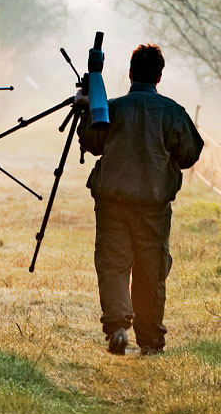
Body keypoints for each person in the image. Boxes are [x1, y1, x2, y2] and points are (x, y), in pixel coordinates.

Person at [77, 43, 203, 355]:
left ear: (130, 74)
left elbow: (91, 143)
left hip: (112, 203)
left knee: (114, 264)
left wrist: (86, 108)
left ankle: (118, 328)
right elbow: (189, 154)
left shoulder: (113, 108)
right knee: (151, 269)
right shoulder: (174, 113)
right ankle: (150, 341)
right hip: (153, 205)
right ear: (160, 76)